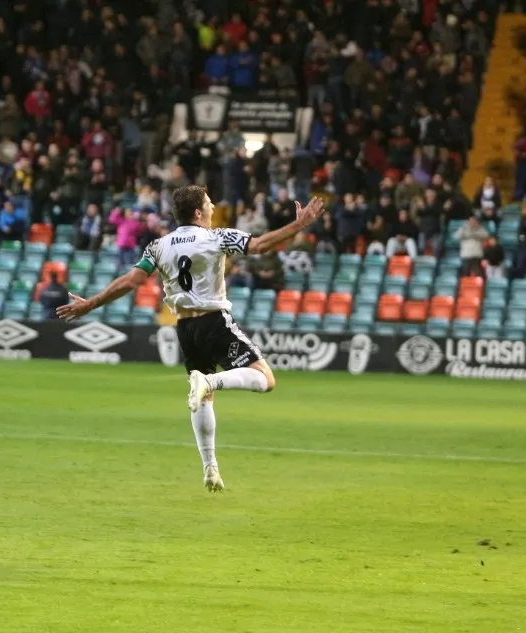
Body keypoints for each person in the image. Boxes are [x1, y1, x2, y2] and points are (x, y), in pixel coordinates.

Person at [57, 185, 325, 492]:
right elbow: (261, 245)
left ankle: (210, 467)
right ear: (198, 212)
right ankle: (210, 383)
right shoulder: (217, 237)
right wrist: (299, 225)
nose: (213, 208)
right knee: (264, 378)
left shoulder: (158, 246)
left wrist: (90, 303)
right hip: (213, 321)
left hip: (185, 329)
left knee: (202, 397)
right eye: (209, 203)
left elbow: (132, 281)